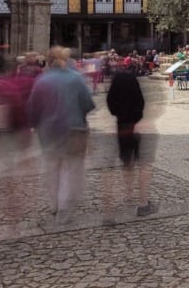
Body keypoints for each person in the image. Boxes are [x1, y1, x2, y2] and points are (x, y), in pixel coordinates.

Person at [26, 46, 96, 225]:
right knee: (72, 169)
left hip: (48, 131)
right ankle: (65, 206)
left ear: (49, 61)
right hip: (73, 129)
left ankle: (54, 203)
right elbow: (88, 104)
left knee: (52, 168)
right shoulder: (76, 79)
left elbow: (33, 107)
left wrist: (35, 124)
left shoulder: (41, 80)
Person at [105, 66, 156, 218]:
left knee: (126, 160)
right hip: (136, 125)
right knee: (142, 162)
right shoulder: (134, 83)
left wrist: (118, 114)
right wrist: (138, 117)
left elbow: (110, 102)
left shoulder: (115, 84)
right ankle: (143, 201)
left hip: (121, 125)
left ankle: (128, 192)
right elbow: (141, 102)